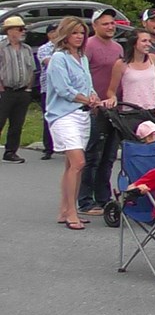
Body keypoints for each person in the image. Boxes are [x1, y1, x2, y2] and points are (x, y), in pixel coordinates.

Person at [45, 17, 99, 230]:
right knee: (78, 163)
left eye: (81, 33)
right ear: (65, 35)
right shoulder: (58, 58)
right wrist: (86, 99)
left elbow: (88, 84)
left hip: (81, 115)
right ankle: (72, 213)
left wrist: (93, 97)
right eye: (74, 33)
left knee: (71, 165)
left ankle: (65, 209)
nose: (78, 37)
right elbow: (63, 89)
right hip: (62, 115)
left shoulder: (82, 58)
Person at [78, 8, 122, 215]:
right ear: (94, 26)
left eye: (112, 23)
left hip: (114, 108)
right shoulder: (88, 46)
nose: (110, 27)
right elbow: (80, 75)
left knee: (109, 156)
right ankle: (85, 200)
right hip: (94, 108)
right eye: (105, 24)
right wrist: (90, 100)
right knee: (92, 155)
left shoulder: (118, 48)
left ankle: (103, 198)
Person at [108, 29, 155, 119]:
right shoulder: (121, 64)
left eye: (149, 41)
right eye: (144, 41)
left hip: (153, 110)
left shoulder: (153, 59)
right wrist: (112, 98)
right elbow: (111, 91)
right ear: (134, 43)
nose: (148, 44)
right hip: (131, 112)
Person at [0, 16, 36, 163]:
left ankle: (10, 152)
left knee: (17, 124)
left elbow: (32, 69)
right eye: (20, 29)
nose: (23, 32)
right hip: (5, 91)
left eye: (24, 29)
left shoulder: (26, 48)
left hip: (22, 92)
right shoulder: (2, 48)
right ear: (10, 31)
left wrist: (28, 88)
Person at [36, 33, 58, 159]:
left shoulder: (65, 47)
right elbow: (50, 63)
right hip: (48, 89)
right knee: (48, 118)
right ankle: (48, 148)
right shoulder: (44, 48)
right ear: (50, 34)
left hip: (63, 91)